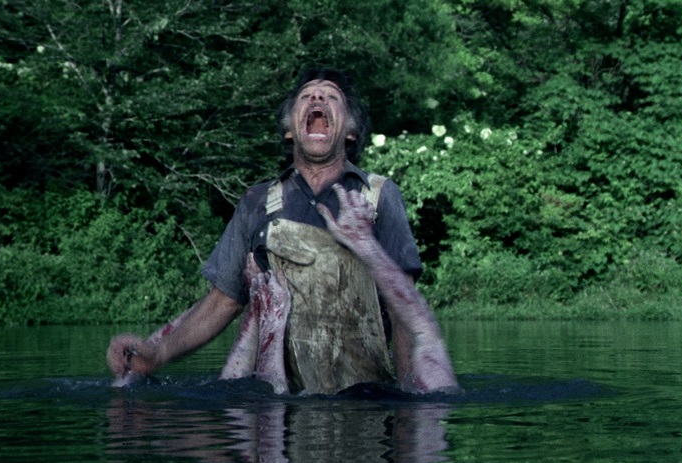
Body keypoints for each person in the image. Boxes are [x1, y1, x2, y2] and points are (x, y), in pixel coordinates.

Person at [107, 68, 458, 395]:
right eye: (307, 96)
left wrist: (410, 403)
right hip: (285, 401)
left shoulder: (378, 196)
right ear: (290, 129)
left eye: (331, 97)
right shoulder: (257, 202)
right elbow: (221, 301)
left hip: (366, 396)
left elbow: (402, 306)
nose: (317, 98)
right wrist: (155, 352)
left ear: (350, 132)